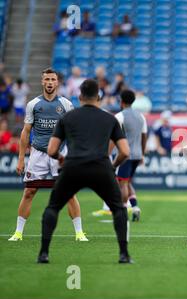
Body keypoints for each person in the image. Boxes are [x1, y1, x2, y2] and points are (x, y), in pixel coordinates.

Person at [37, 79, 132, 263]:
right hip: (101, 167)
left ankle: (43, 253)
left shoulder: (67, 118)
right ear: (99, 97)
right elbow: (125, 152)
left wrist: (62, 159)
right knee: (118, 209)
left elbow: (51, 150)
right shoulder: (110, 119)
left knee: (53, 208)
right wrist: (111, 167)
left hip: (73, 167)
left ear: (80, 97)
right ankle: (123, 254)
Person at [8, 68, 87, 242]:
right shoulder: (33, 104)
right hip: (38, 154)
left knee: (70, 193)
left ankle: (79, 233)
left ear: (57, 82)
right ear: (42, 82)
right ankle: (18, 233)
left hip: (60, 154)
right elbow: (25, 133)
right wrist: (21, 159)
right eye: (47, 80)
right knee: (29, 191)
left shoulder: (66, 104)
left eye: (53, 79)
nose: (50, 82)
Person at [113, 89, 147, 222]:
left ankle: (122, 212)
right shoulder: (141, 116)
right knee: (127, 182)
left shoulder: (119, 116)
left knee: (122, 183)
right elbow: (144, 137)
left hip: (124, 155)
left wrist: (108, 153)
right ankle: (135, 207)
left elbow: (113, 137)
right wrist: (142, 154)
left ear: (121, 101)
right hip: (137, 154)